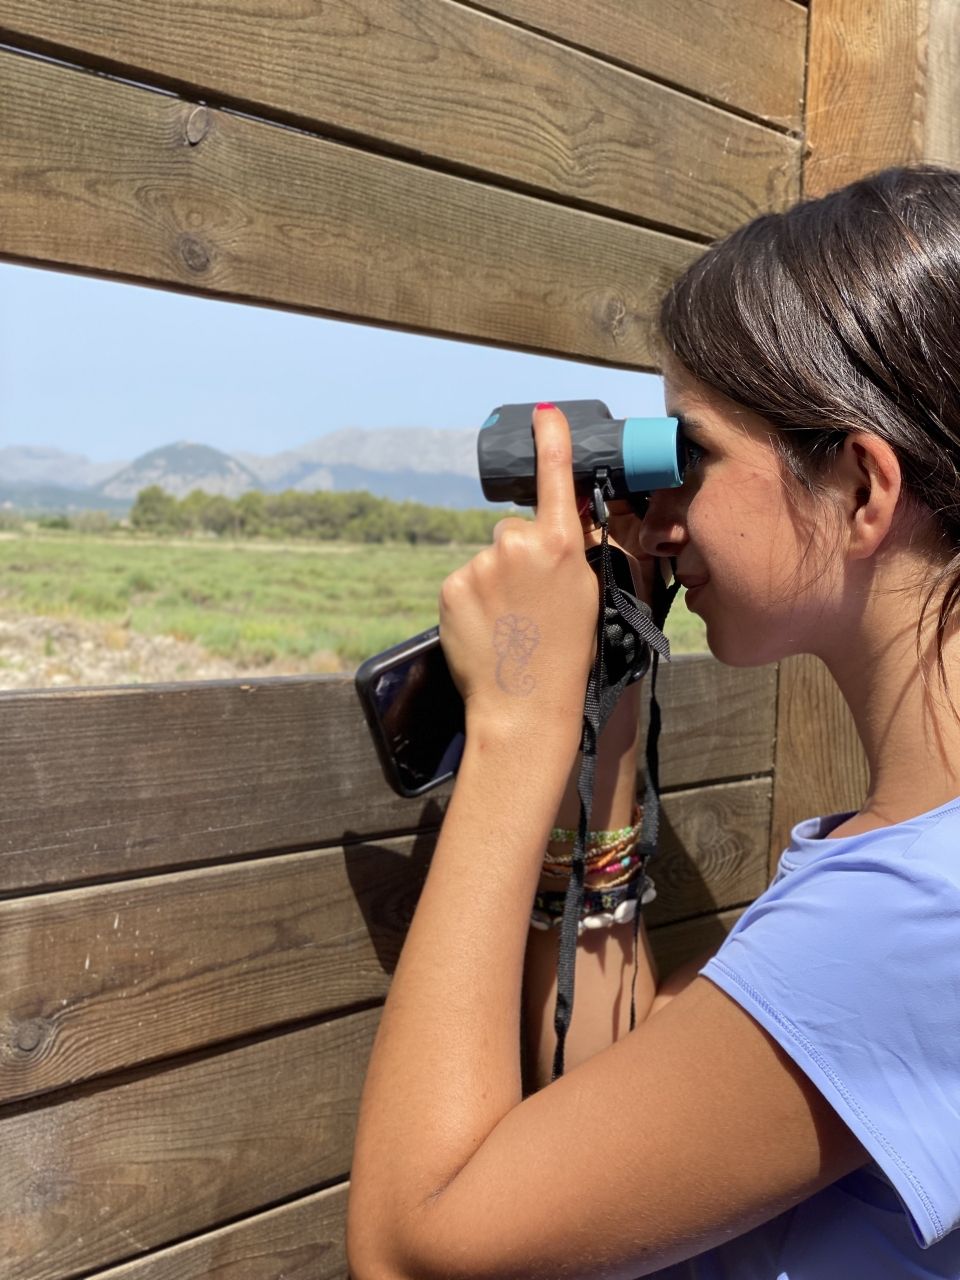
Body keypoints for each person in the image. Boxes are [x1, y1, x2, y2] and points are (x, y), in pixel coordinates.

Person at [346, 165, 960, 1278]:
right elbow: (614, 1122)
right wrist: (610, 699)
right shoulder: (904, 858)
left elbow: (410, 1246)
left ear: (866, 489)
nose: (660, 514)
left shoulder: (915, 918)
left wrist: (516, 725)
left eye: (694, 454)